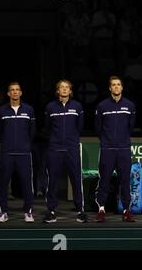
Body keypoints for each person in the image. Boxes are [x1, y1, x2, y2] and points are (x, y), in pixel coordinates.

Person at [43, 80, 87, 223]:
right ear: (57, 91)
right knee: (53, 181)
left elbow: (79, 127)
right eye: (61, 87)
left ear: (70, 91)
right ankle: (51, 211)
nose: (64, 89)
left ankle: (80, 210)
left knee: (76, 179)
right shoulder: (50, 107)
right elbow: (48, 128)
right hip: (55, 149)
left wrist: (71, 141)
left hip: (71, 148)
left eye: (67, 87)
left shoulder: (77, 106)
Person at [95, 76, 136, 222]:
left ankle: (126, 210)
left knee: (125, 180)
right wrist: (107, 142)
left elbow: (130, 127)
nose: (116, 87)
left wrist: (122, 140)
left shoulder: (130, 106)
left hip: (124, 149)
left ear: (122, 87)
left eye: (119, 84)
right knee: (104, 180)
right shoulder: (102, 106)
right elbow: (98, 128)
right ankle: (101, 209)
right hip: (107, 149)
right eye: (114, 85)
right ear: (110, 88)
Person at [0, 82, 36, 222]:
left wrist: (24, 145)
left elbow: (32, 132)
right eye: (12, 90)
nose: (15, 92)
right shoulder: (2, 111)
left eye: (17, 90)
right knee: (3, 183)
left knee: (26, 183)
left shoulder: (29, 110)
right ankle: (3, 212)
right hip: (6, 152)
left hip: (24, 153)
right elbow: (0, 132)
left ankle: (28, 212)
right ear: (8, 94)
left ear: (21, 93)